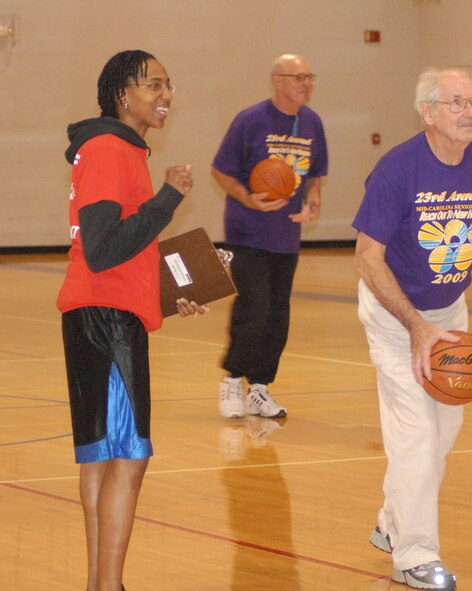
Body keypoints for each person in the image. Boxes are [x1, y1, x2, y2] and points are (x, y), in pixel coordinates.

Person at [353, 68, 472, 590]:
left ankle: (392, 521)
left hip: (450, 310)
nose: (470, 112)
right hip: (394, 311)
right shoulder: (397, 170)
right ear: (427, 112)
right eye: (456, 103)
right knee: (417, 434)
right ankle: (415, 556)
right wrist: (414, 326)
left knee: (446, 429)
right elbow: (367, 257)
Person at [56, 49, 205, 591]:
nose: (166, 95)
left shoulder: (113, 150)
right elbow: (100, 248)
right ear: (124, 92)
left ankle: (101, 584)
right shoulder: (108, 149)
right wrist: (168, 199)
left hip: (103, 312)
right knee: (128, 455)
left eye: (170, 85)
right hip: (107, 321)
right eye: (155, 85)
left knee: (102, 458)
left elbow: (122, 248)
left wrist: (169, 292)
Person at [212, 53, 328, 420]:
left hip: (286, 235)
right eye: (299, 77)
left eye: (310, 76)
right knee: (255, 308)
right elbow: (221, 171)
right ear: (278, 80)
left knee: (278, 316)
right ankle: (232, 379)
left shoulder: (312, 123)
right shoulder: (250, 120)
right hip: (248, 232)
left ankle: (260, 388)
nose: (306, 83)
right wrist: (247, 197)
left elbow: (314, 174)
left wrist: (313, 200)